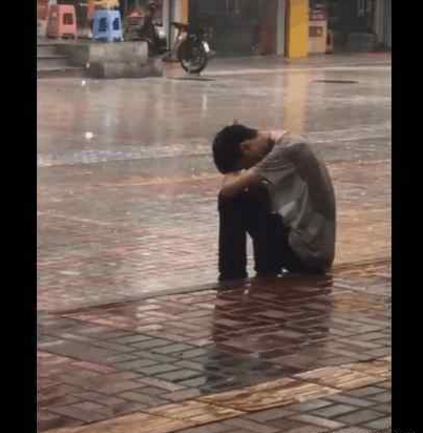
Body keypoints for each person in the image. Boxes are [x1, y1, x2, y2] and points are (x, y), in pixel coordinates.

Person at [212, 123, 336, 282]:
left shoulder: (287, 150)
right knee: (255, 191)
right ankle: (266, 269)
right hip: (309, 248)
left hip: (308, 255)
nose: (250, 167)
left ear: (246, 147)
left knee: (230, 199)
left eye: (246, 165)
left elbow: (228, 190)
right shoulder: (286, 141)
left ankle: (231, 277)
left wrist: (232, 173)